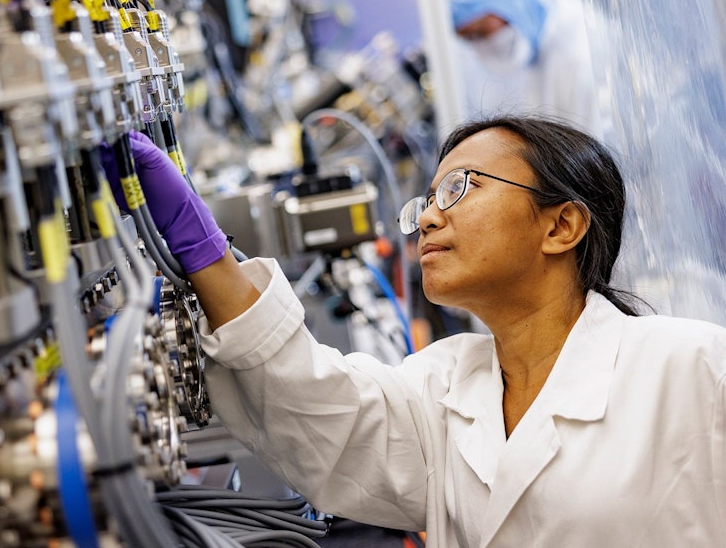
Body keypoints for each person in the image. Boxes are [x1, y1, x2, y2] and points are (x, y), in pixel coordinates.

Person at [101, 116, 726, 547]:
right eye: (427, 200)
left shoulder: (693, 368)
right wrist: (203, 249)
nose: (427, 218)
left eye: (459, 188)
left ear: (561, 226)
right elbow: (316, 409)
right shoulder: (447, 386)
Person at [448, 0, 609, 140]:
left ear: (508, 4)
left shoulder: (578, 47)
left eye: (480, 32)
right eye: (469, 39)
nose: (480, 45)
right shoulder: (537, 54)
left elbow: (595, 141)